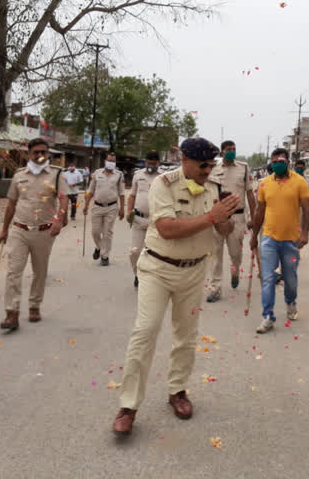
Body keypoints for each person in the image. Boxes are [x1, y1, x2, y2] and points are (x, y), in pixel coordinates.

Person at [112, 137, 239, 435]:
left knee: (187, 335)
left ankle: (177, 390)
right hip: (158, 268)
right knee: (145, 332)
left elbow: (222, 229)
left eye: (212, 164)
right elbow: (167, 229)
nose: (209, 170)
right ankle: (128, 405)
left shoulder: (213, 187)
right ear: (185, 159)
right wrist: (211, 217)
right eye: (203, 164)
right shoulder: (163, 185)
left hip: (194, 271)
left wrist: (225, 220)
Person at [0, 138, 68, 331]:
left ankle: (34, 305)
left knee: (40, 272)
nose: (40, 156)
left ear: (47, 154)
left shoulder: (56, 174)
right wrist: (4, 229)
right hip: (19, 230)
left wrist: (58, 220)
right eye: (36, 152)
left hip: (44, 232)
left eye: (43, 152)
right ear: (28, 153)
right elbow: (11, 203)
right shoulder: (19, 175)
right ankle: (11, 313)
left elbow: (63, 200)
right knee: (14, 271)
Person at [249, 148, 309, 334]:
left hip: (291, 241)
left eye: (281, 160)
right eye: (274, 161)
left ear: (288, 162)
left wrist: (305, 233)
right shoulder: (264, 184)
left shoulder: (300, 182)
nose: (277, 163)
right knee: (268, 278)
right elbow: (259, 211)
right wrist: (254, 237)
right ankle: (268, 316)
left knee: (290, 278)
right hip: (269, 239)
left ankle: (291, 302)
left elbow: (307, 210)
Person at [207, 140, 256, 302]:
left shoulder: (243, 168)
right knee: (216, 253)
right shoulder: (213, 168)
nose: (232, 152)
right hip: (218, 216)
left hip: (237, 217)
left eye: (234, 149)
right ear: (222, 152)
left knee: (236, 253)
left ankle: (235, 272)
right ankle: (215, 287)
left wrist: (253, 217)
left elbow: (249, 193)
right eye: (229, 149)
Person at [83, 153, 125, 266]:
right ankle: (98, 247)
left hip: (112, 207)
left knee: (107, 233)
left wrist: (122, 209)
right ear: (105, 161)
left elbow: (122, 193)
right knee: (95, 232)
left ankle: (105, 256)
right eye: (109, 160)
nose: (111, 163)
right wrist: (86, 205)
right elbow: (90, 190)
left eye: (113, 161)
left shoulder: (119, 175)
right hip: (97, 206)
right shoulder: (97, 173)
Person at [127, 151, 161, 287]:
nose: (150, 166)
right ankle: (137, 274)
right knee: (135, 251)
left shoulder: (163, 176)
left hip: (156, 221)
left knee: (155, 253)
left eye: (153, 164)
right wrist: (129, 211)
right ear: (145, 162)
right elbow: (132, 196)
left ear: (158, 163)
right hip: (139, 219)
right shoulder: (138, 175)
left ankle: (151, 278)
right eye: (148, 163)